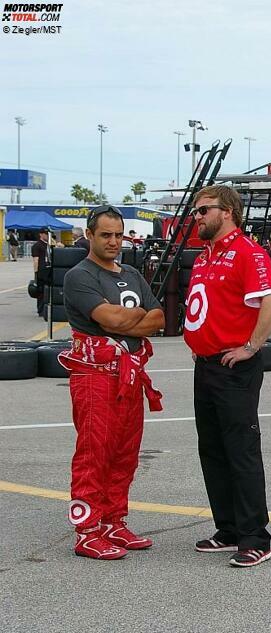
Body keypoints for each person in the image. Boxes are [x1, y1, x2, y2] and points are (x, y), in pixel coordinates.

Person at [183, 185, 271, 568]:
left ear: (227, 212)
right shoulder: (205, 256)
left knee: (240, 450)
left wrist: (252, 346)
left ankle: (255, 536)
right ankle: (227, 529)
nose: (197, 217)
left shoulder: (247, 252)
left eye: (203, 210)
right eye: (196, 211)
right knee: (211, 449)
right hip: (206, 365)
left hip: (234, 368)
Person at [58, 205, 165, 560]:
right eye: (106, 235)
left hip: (129, 376)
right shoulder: (80, 275)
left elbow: (158, 318)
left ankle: (113, 521)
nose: (114, 241)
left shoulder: (132, 273)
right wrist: (128, 318)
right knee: (95, 452)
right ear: (89, 235)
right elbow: (108, 317)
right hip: (94, 377)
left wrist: (123, 321)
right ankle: (87, 530)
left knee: (125, 453)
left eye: (118, 235)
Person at [31, 228, 51, 316]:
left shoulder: (49, 245)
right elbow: (36, 260)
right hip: (41, 271)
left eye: (48, 234)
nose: (47, 235)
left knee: (48, 291)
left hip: (48, 269)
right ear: (41, 234)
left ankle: (46, 309)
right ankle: (41, 310)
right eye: (45, 234)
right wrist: (36, 273)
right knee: (41, 292)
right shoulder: (37, 245)